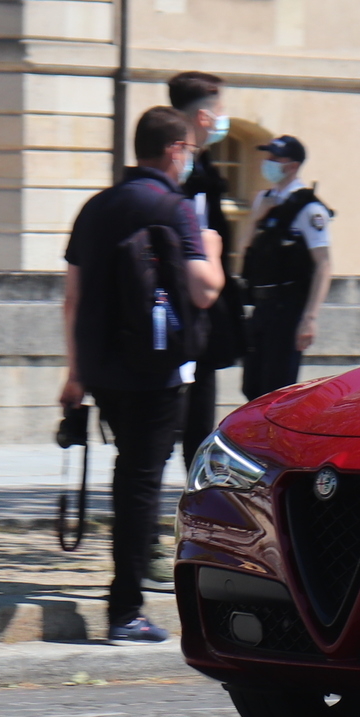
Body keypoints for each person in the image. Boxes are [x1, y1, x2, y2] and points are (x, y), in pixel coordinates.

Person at [61, 106, 223, 644]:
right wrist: (216, 251)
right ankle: (125, 608)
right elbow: (204, 289)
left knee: (129, 476)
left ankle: (125, 599)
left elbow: (73, 299)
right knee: (141, 483)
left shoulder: (95, 208)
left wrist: (75, 374)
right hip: (157, 371)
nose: (189, 160)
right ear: (175, 150)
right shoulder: (174, 209)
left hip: (104, 370)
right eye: (189, 151)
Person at [168, 70, 242, 470]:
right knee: (186, 415)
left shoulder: (197, 167)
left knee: (195, 411)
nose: (221, 119)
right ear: (202, 118)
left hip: (198, 309)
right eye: (218, 111)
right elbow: (193, 241)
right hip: (191, 308)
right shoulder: (186, 173)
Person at [241, 133, 334, 401]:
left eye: (275, 158)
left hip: (288, 309)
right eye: (267, 156)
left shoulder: (309, 209)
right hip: (261, 306)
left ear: (292, 165)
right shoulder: (264, 200)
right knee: (252, 387)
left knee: (275, 388)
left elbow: (323, 265)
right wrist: (255, 219)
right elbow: (245, 251)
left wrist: (310, 318)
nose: (268, 162)